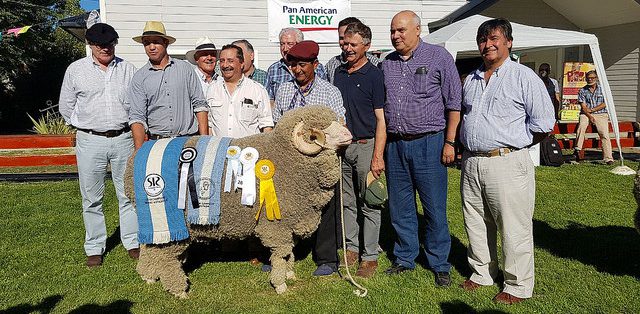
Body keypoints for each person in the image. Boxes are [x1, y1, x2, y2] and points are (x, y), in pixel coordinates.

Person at [459, 18, 555, 305]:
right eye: (482, 40)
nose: (487, 45)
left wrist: (514, 145)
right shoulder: (472, 79)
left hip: (507, 161)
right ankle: (482, 273)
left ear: (508, 42)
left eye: (494, 38)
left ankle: (517, 284)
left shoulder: (523, 77)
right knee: (475, 222)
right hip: (472, 162)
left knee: (514, 227)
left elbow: (544, 123)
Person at [380, 10, 461, 287]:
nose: (396, 36)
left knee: (434, 208)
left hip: (430, 142)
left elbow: (454, 104)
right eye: (392, 31)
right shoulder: (386, 63)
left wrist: (450, 142)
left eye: (401, 30)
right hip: (396, 145)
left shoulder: (439, 57)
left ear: (418, 30)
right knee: (400, 207)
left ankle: (439, 262)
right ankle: (405, 257)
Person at [58, 23, 139, 267]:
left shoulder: (128, 70)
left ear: (115, 43)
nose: (105, 48)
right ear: (91, 45)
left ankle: (132, 242)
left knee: (127, 194)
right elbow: (66, 106)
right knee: (91, 197)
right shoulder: (76, 70)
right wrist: (84, 125)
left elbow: (137, 104)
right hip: (90, 140)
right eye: (100, 44)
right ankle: (95, 247)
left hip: (123, 138)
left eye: (110, 43)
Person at [273, 40, 345, 276]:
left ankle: (326, 258)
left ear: (315, 64)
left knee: (324, 206)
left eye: (302, 64)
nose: (297, 70)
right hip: (290, 162)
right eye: (293, 65)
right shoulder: (284, 91)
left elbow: (339, 126)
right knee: (288, 207)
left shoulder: (329, 92)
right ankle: (286, 251)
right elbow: (277, 126)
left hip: (319, 161)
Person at [332, 22, 386, 278]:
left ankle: (370, 255)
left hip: (367, 146)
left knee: (370, 202)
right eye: (345, 43)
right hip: (343, 148)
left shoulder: (375, 75)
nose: (347, 48)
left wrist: (378, 155)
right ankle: (351, 248)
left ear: (367, 45)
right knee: (347, 202)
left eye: (353, 44)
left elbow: (381, 120)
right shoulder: (339, 74)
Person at [127, 21, 209, 149]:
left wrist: (204, 142)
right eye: (147, 43)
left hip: (188, 141)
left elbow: (199, 104)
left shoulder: (185, 68)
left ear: (165, 43)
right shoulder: (139, 77)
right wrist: (138, 153)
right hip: (157, 144)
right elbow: (137, 117)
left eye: (156, 42)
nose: (151, 47)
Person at [207, 44, 273, 137]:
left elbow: (267, 126)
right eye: (222, 61)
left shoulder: (257, 90)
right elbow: (209, 125)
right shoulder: (212, 89)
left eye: (230, 61)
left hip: (248, 149)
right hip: (219, 149)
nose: (225, 65)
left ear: (241, 64)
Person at [265, 28, 328, 107]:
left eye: (289, 44)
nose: (285, 49)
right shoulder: (273, 70)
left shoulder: (317, 68)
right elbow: (269, 100)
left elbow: (326, 94)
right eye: (282, 44)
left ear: (300, 45)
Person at [574, 70, 614, 164]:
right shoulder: (582, 90)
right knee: (581, 126)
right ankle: (577, 149)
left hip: (600, 113)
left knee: (604, 133)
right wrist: (589, 115)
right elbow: (583, 106)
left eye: (592, 78)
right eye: (588, 78)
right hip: (585, 113)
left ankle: (608, 158)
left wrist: (592, 110)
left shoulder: (603, 89)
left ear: (596, 78)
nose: (590, 79)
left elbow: (606, 103)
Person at [325, 17, 379, 84]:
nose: (345, 42)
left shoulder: (375, 64)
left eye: (353, 43)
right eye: (342, 38)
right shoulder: (332, 64)